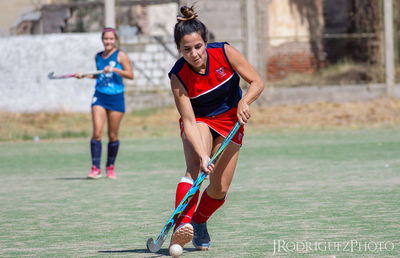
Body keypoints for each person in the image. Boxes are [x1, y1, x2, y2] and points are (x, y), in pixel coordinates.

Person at [167, 6, 264, 252]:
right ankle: (182, 224)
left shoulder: (224, 52)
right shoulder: (178, 75)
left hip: (230, 120)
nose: (194, 54)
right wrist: (202, 155)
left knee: (219, 188)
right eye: (186, 49)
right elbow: (188, 121)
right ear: (179, 50)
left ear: (205, 42)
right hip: (199, 120)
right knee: (196, 169)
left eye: (198, 46)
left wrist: (244, 101)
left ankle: (199, 221)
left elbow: (256, 82)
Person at [76, 27, 134, 179]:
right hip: (100, 96)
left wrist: (114, 69)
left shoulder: (121, 55)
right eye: (105, 39)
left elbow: (130, 75)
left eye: (111, 39)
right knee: (97, 132)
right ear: (102, 40)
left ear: (115, 40)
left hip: (116, 98)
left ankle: (110, 166)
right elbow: (99, 75)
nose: (108, 41)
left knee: (113, 136)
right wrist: (84, 75)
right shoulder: (98, 56)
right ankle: (95, 168)